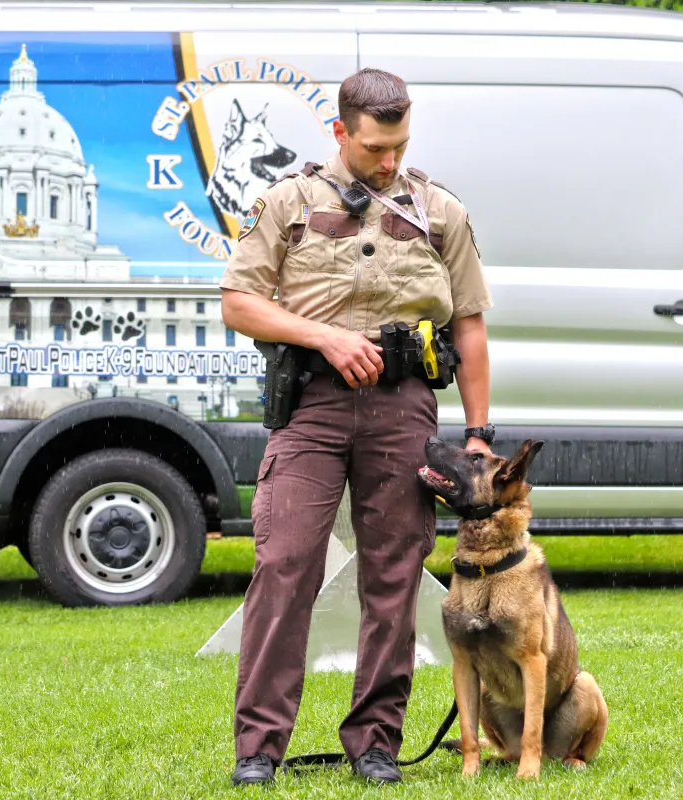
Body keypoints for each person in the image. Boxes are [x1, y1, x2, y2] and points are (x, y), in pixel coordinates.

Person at [219, 67, 495, 786]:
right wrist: (323, 338)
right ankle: (258, 748)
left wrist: (478, 434)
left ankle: (375, 740)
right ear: (341, 131)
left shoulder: (440, 212)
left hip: (403, 408)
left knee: (394, 578)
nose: (389, 161)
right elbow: (239, 303)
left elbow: (468, 325)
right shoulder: (288, 202)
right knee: (285, 568)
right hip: (311, 407)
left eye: (399, 145)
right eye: (376, 146)